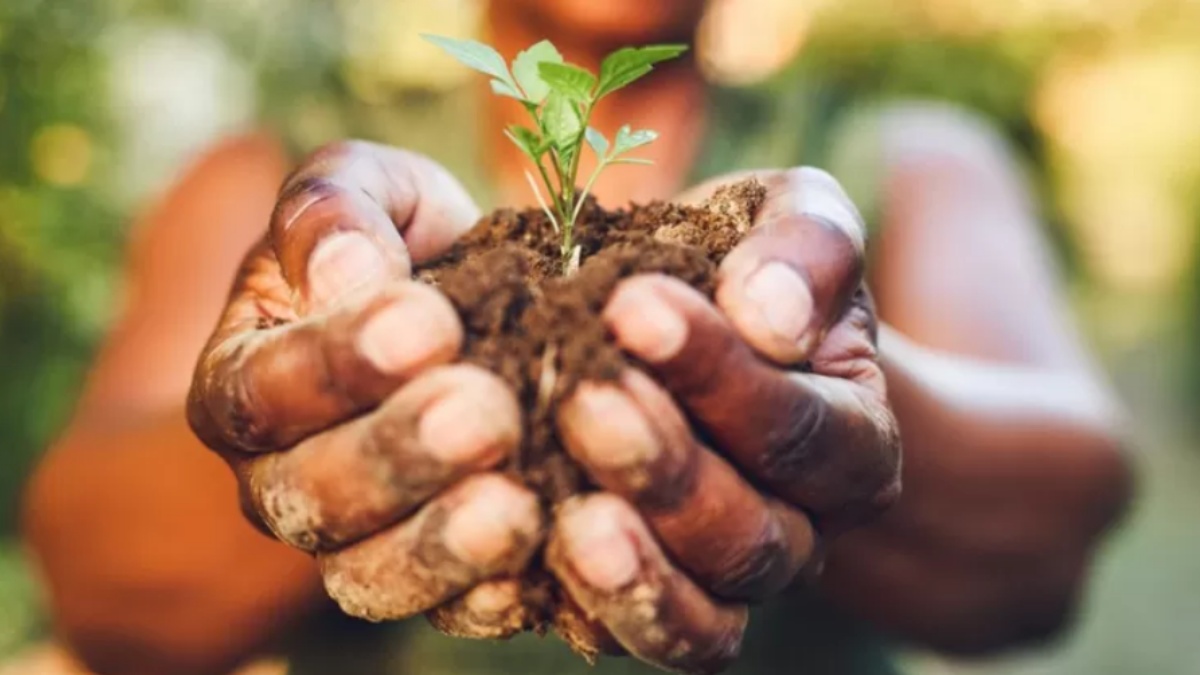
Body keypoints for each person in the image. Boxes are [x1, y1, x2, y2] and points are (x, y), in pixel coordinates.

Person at [20, 1, 1134, 674]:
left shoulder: (897, 157)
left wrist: (793, 380)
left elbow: (1049, 539)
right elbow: (106, 594)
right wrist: (330, 394)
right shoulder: (277, 171)